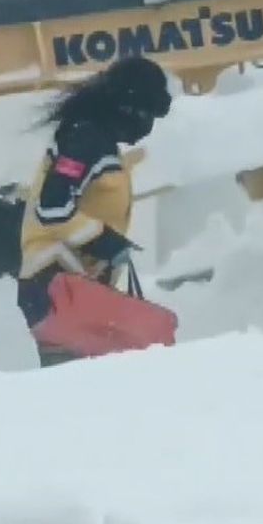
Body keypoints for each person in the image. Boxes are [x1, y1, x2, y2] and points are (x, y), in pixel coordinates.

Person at [17, 55, 173, 366]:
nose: (147, 126)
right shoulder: (86, 141)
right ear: (128, 109)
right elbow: (52, 207)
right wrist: (103, 239)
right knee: (85, 388)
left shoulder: (94, 139)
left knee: (84, 388)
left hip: (70, 289)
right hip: (56, 284)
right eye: (147, 115)